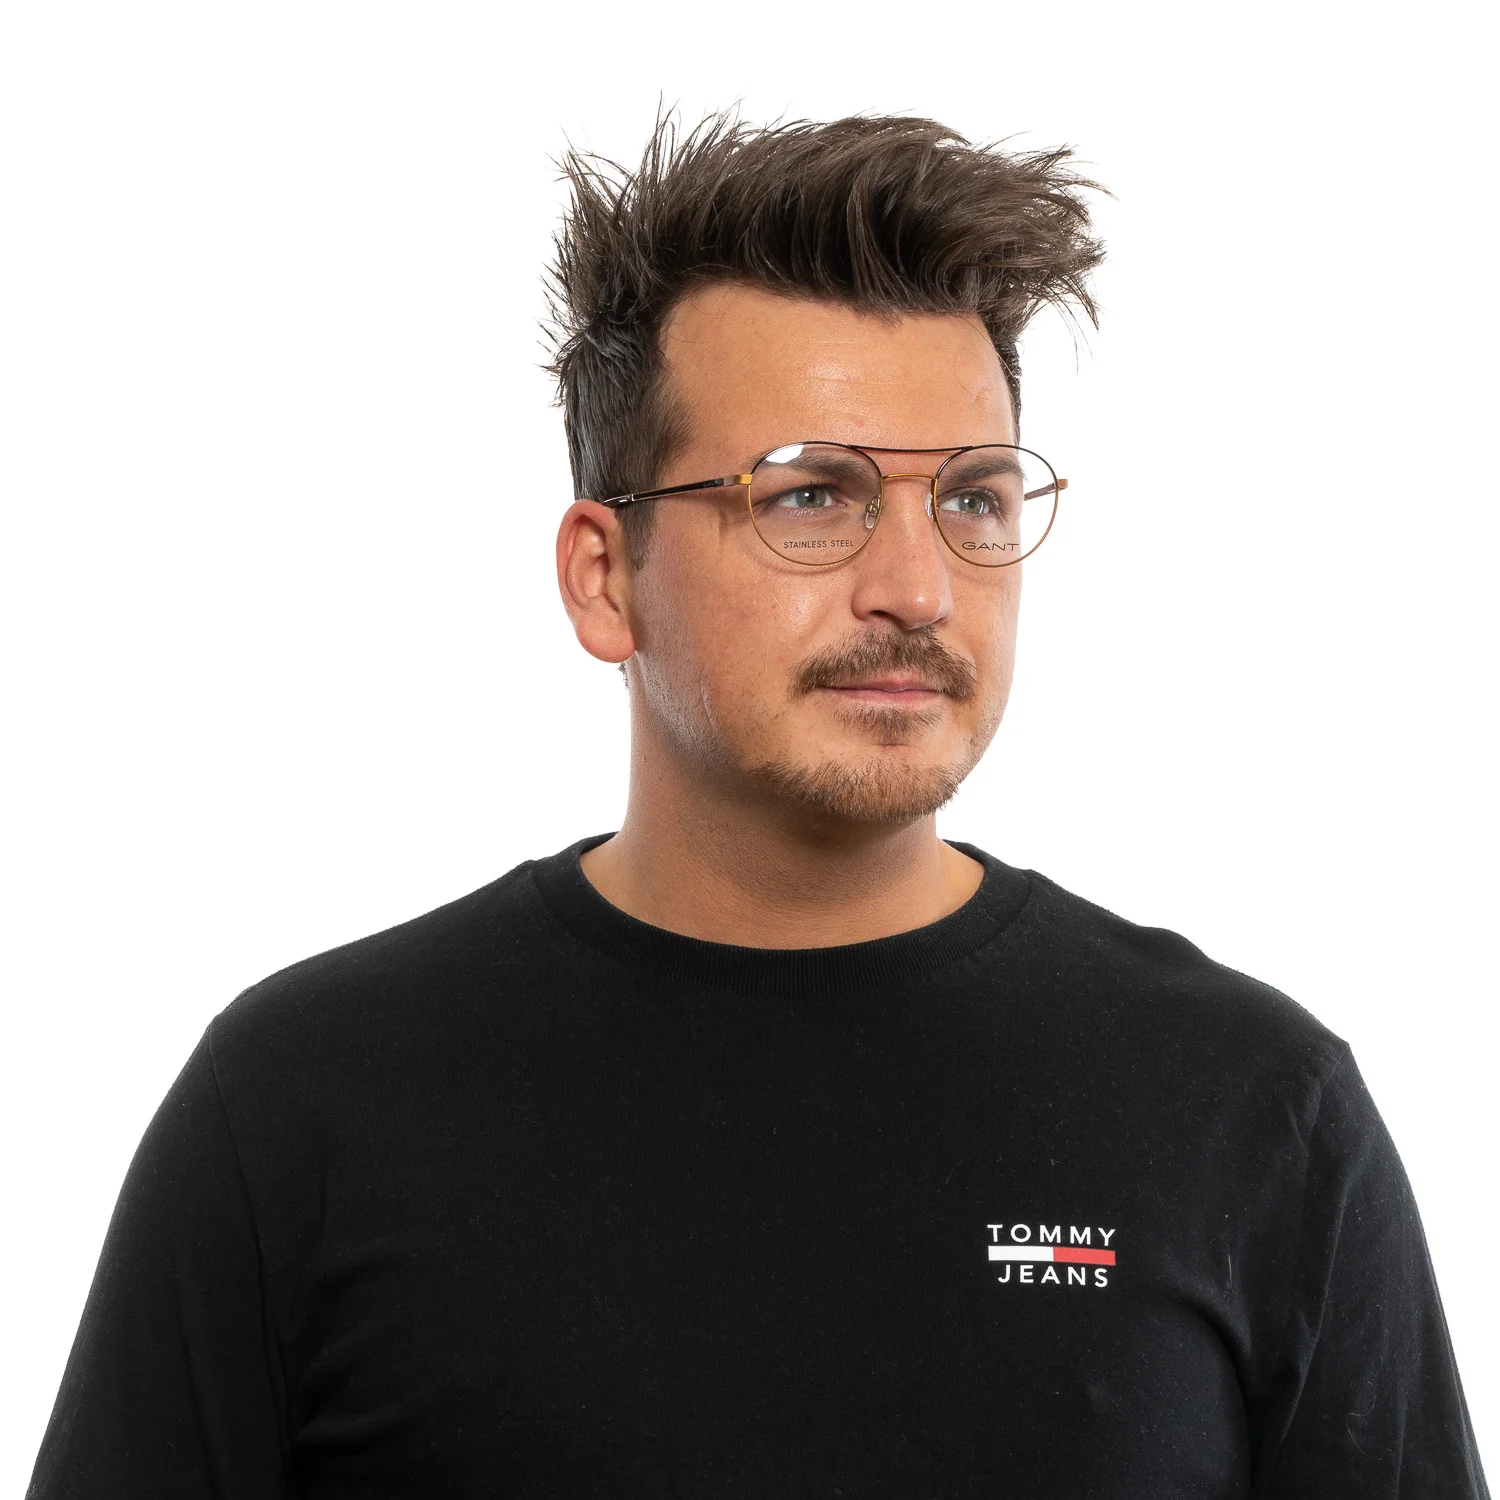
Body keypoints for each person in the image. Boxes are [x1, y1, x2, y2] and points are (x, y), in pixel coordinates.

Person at [25, 111, 1489, 1499]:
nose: (916, 588)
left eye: (974, 498)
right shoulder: (303, 1106)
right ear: (605, 576)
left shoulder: (1250, 1107)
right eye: (810, 496)